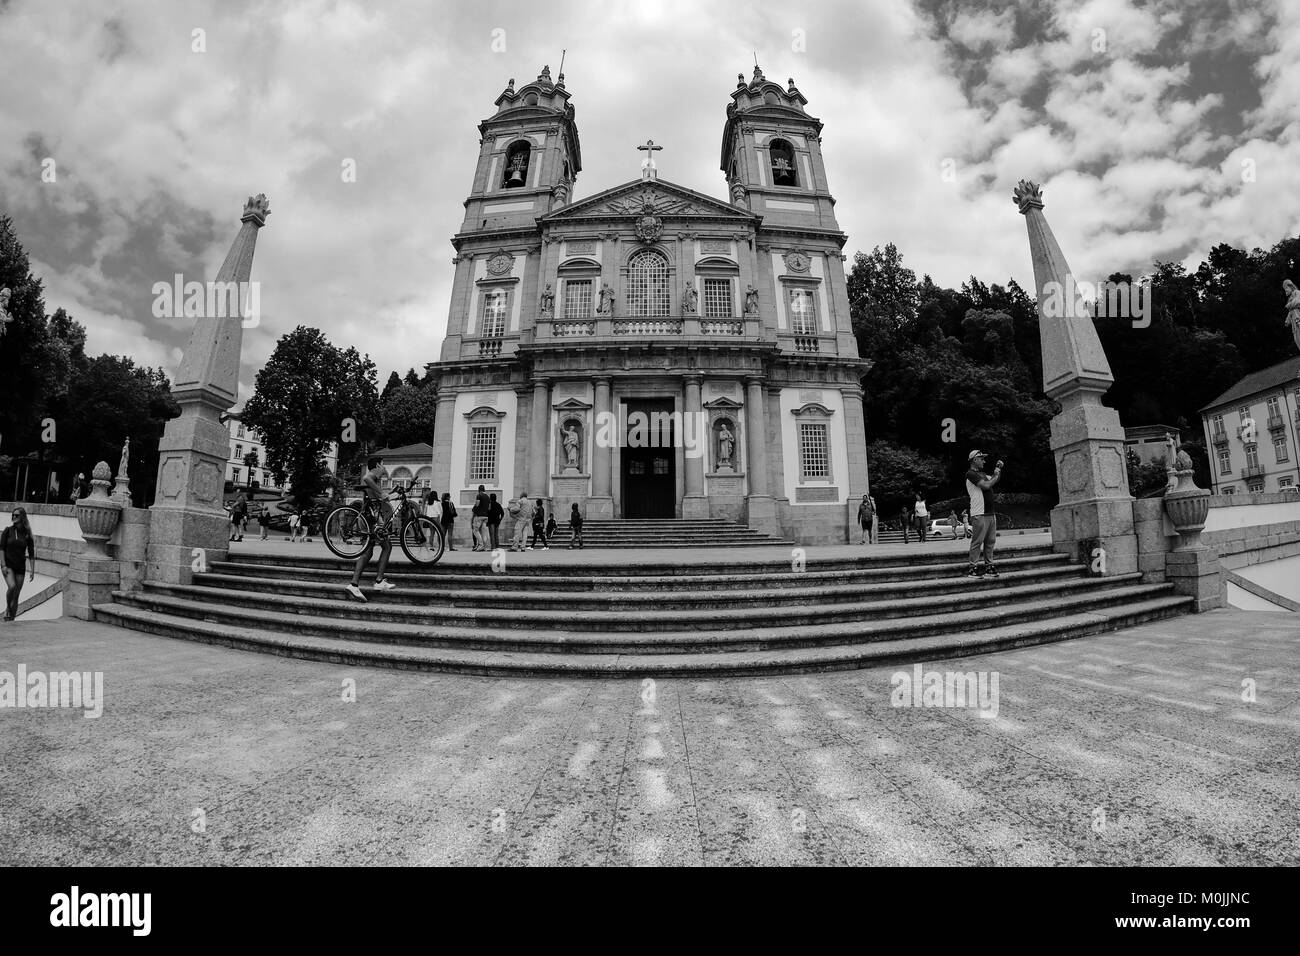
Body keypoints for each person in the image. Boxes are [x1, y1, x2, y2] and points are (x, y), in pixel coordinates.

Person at [346, 457, 395, 601]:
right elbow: (366, 478)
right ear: (378, 465)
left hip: (367, 517)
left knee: (367, 551)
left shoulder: (376, 480)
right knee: (387, 546)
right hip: (371, 518)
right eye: (383, 465)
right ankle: (379, 581)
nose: (384, 468)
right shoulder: (372, 475)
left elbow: (375, 494)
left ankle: (354, 585)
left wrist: (386, 494)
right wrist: (381, 493)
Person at [965, 450, 1005, 577]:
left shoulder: (982, 473)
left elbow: (994, 479)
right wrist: (995, 474)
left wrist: (998, 469)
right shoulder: (970, 474)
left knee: (990, 541)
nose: (984, 461)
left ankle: (989, 566)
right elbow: (987, 485)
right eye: (981, 458)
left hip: (989, 512)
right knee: (977, 541)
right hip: (979, 513)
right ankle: (973, 567)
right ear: (974, 460)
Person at [2, 507, 36, 621]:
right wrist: (3, 565)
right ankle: (7, 607)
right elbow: (1, 549)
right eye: (13, 515)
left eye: (16, 515)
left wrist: (32, 570)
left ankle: (11, 619)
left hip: (20, 567)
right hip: (8, 565)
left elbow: (31, 553)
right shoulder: (8, 531)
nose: (14, 517)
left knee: (16, 595)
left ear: (22, 517)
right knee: (12, 587)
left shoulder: (27, 534)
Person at [470, 484, 489, 552]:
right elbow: (489, 507)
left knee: (475, 531)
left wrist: (473, 509)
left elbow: (477, 504)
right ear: (484, 489)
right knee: (483, 532)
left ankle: (481, 545)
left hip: (479, 516)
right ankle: (485, 546)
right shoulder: (487, 496)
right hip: (486, 516)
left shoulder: (479, 495)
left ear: (479, 490)